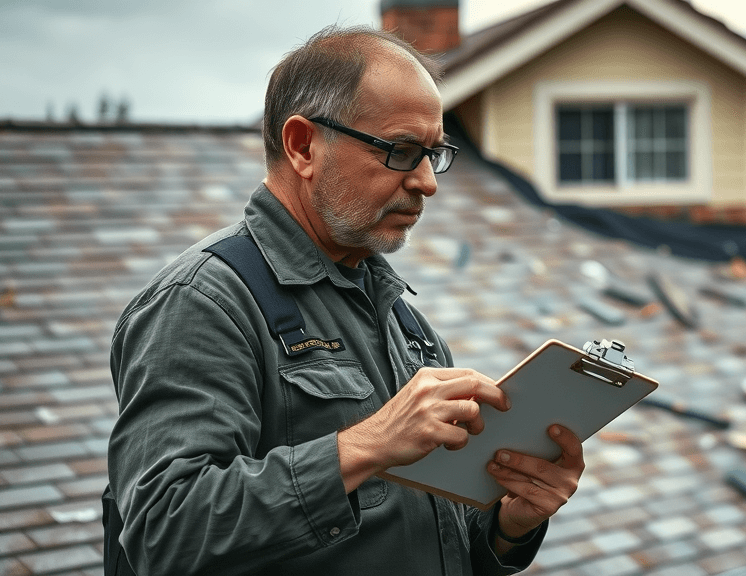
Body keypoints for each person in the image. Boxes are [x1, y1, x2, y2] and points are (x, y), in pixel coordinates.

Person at [106, 25, 586, 575]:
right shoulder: (203, 304)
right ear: (302, 145)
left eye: (434, 154)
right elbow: (165, 533)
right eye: (403, 151)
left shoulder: (408, 324)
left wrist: (509, 525)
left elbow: (432, 540)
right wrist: (367, 445)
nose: (428, 182)